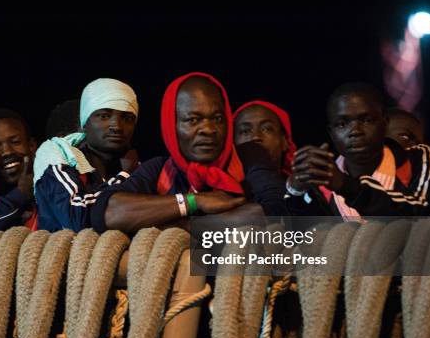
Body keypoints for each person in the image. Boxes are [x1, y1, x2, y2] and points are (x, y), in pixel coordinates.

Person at [91, 72, 258, 234]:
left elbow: (265, 215)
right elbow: (107, 213)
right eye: (192, 120)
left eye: (217, 119)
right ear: (172, 126)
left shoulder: (249, 160)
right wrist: (193, 202)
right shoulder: (158, 170)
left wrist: (177, 225)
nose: (208, 129)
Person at [286, 82, 430, 217]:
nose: (355, 131)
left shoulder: (417, 159)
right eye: (342, 124)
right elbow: (304, 237)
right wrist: (296, 191)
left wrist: (346, 185)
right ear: (331, 134)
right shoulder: (322, 181)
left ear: (384, 123)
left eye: (367, 120)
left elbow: (425, 213)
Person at [34, 78, 140, 232]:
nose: (116, 126)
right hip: (62, 253)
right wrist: (125, 174)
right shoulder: (57, 155)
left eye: (127, 118)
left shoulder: (135, 164)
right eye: (104, 116)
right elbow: (77, 218)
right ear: (84, 123)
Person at [233, 100, 297, 216]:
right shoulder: (219, 192)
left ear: (284, 141)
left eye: (267, 129)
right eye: (245, 131)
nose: (256, 137)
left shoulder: (303, 189)